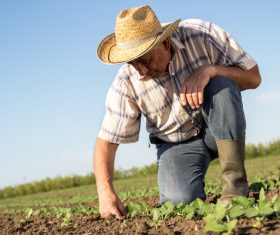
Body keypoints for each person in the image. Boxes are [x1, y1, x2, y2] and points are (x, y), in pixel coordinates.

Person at [94, 5, 261, 219]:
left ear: (164, 42)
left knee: (221, 84)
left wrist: (210, 70)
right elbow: (105, 142)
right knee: (179, 202)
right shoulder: (126, 82)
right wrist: (105, 192)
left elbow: (254, 78)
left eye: (144, 60)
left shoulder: (203, 35)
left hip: (216, 127)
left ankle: (235, 190)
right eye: (133, 63)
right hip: (176, 144)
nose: (141, 71)